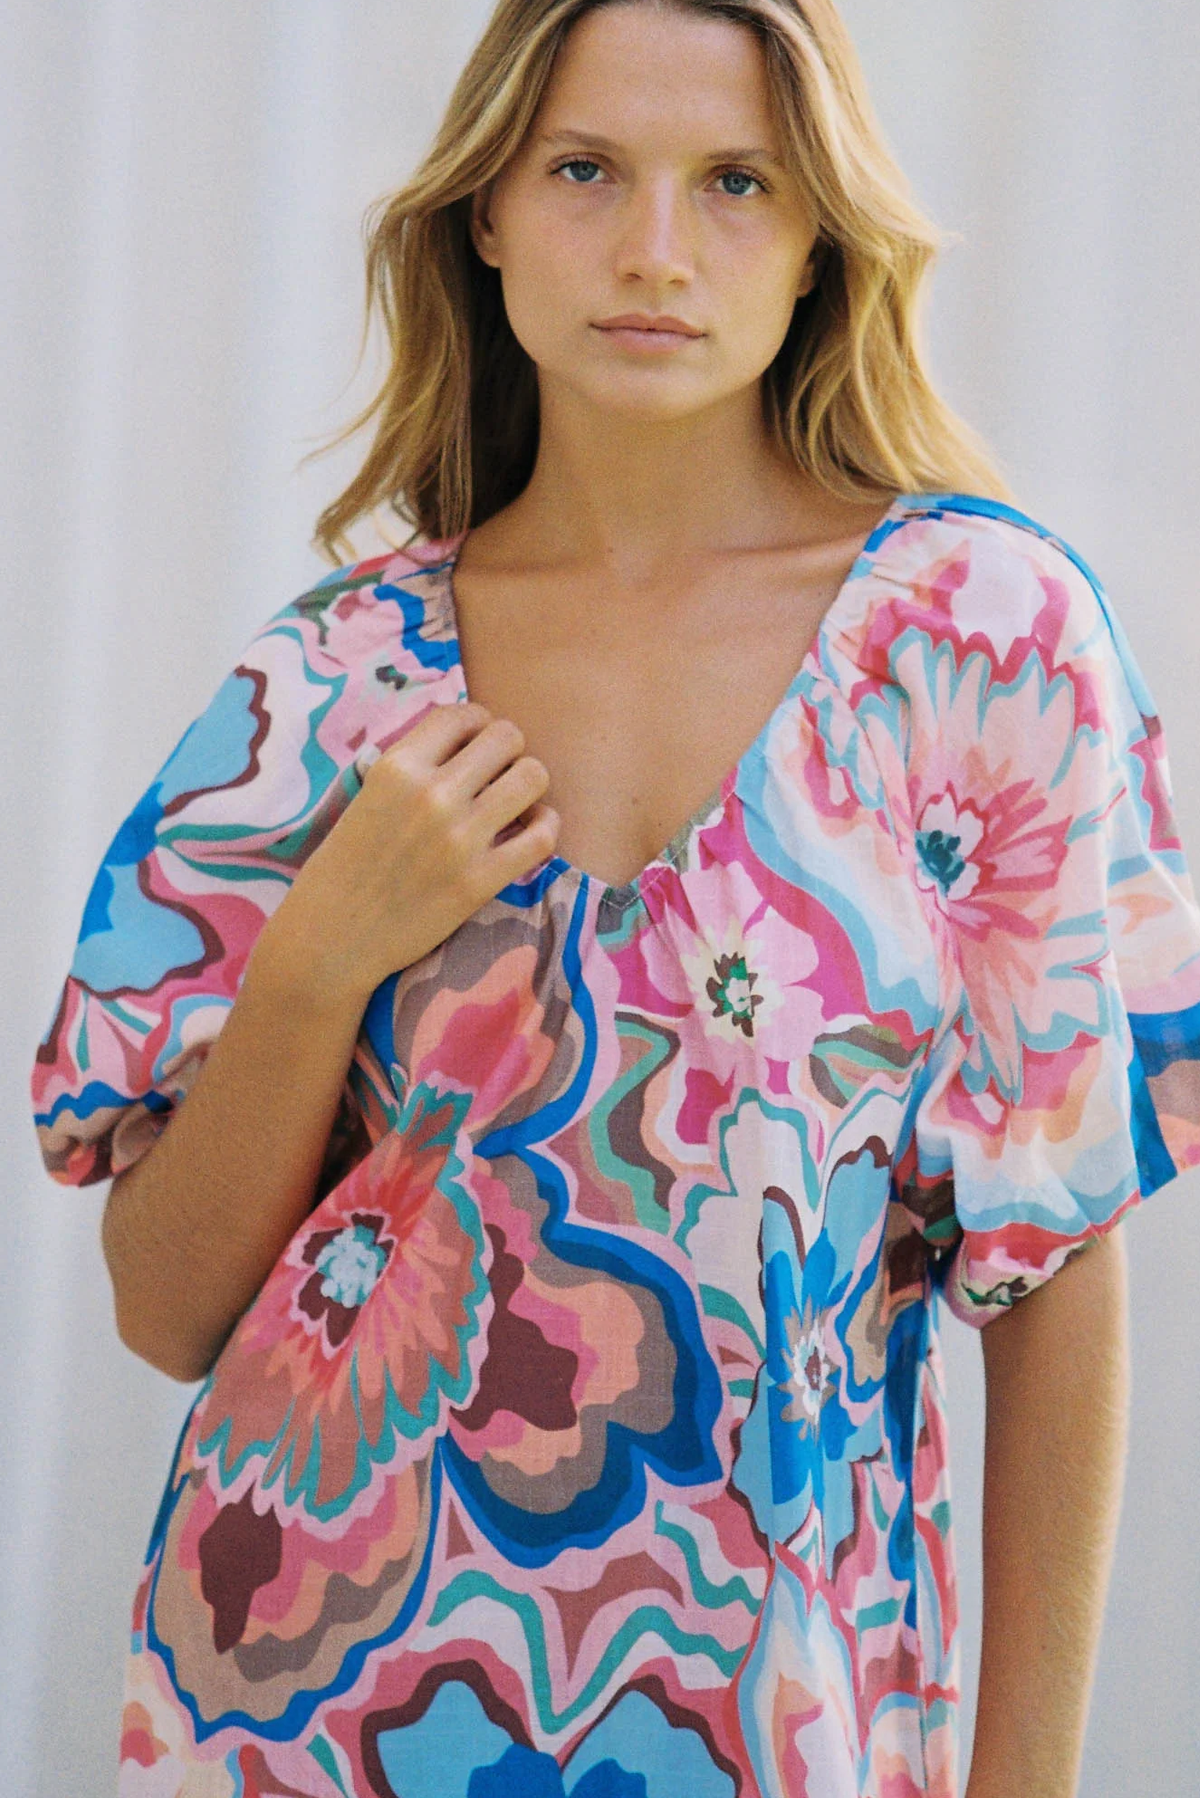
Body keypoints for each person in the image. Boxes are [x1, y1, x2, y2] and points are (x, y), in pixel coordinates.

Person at [29, 1, 1200, 1793]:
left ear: (819, 237)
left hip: (777, 1707)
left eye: (736, 181)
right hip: (302, 1710)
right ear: (488, 211)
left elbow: (1057, 1270)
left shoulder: (979, 644)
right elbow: (167, 1308)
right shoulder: (328, 681)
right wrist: (322, 954)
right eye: (585, 171)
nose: (656, 249)